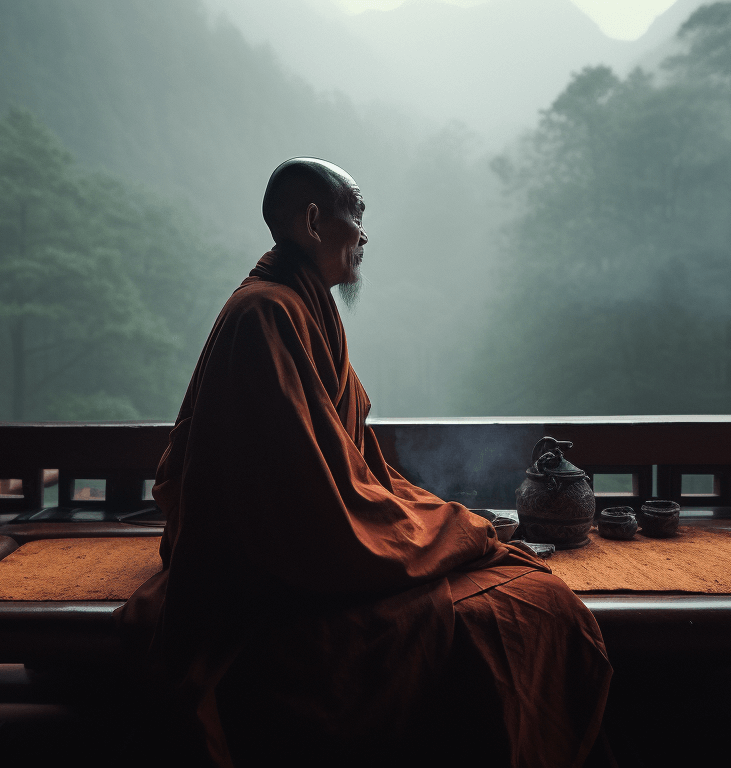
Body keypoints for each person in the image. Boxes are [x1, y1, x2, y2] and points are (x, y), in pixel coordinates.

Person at [118, 158, 613, 767]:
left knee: (522, 589)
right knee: (524, 603)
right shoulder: (264, 315)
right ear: (312, 222)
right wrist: (454, 530)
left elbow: (351, 462)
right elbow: (311, 500)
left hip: (310, 533)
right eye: (356, 213)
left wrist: (435, 518)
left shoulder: (307, 308)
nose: (365, 233)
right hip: (270, 561)